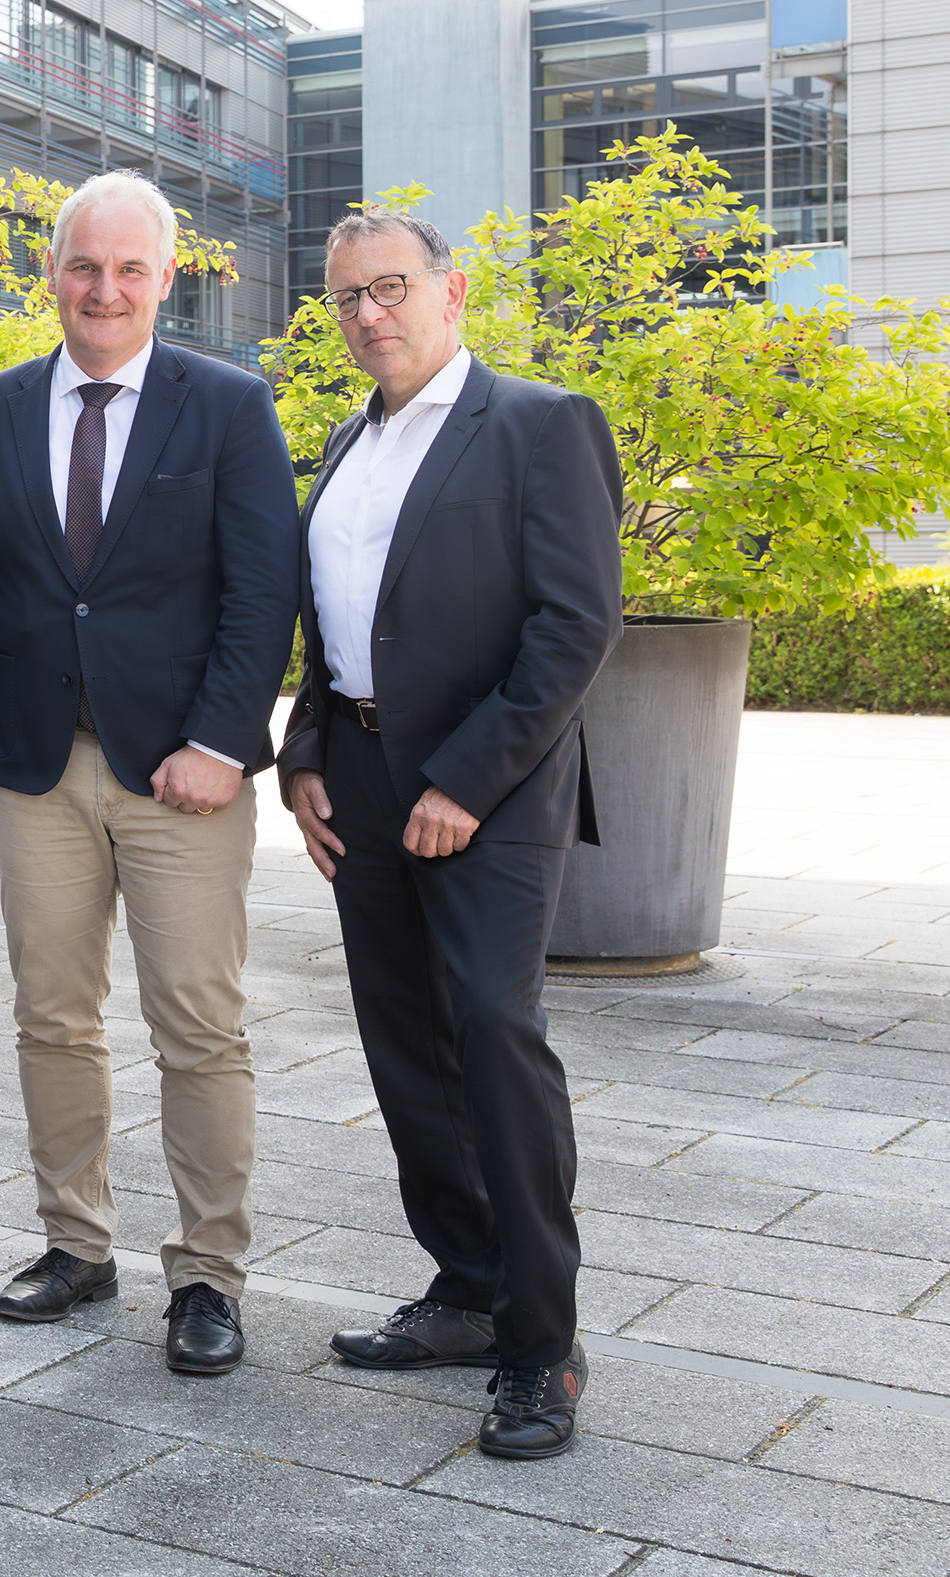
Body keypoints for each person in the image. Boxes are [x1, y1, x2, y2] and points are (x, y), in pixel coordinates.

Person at [0, 171, 299, 1375]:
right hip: (36, 769)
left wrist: (220, 739)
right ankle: (74, 1244)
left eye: (129, 269)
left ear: (165, 276)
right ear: (51, 273)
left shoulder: (229, 406)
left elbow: (262, 593)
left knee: (198, 1023)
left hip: (177, 773)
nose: (104, 288)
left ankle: (207, 1274)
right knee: (52, 1014)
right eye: (84, 266)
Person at [281, 210, 622, 1460]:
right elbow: (332, 629)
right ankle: (468, 1286)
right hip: (359, 779)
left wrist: (466, 779)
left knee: (490, 1027)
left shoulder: (538, 422)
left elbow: (574, 626)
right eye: (346, 298)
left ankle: (542, 1340)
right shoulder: (342, 441)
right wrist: (306, 757)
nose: (369, 313)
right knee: (404, 1040)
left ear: (451, 289)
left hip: (494, 783)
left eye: (390, 287)